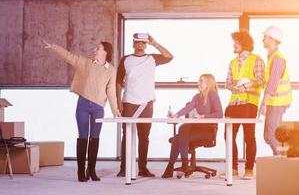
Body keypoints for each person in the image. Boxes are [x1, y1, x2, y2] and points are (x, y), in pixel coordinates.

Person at [43, 40, 121, 182]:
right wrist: (53, 46)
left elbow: (110, 91)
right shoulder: (85, 63)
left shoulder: (111, 70)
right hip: (83, 105)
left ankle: (91, 170)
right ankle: (80, 170)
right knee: (83, 137)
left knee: (95, 138)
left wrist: (115, 109)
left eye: (98, 48)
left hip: (98, 108)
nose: (94, 50)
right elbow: (68, 56)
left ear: (105, 52)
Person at [116, 33, 173, 177]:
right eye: (137, 42)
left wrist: (155, 43)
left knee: (144, 136)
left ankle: (143, 168)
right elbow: (118, 81)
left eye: (142, 42)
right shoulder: (126, 59)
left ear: (145, 44)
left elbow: (169, 56)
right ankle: (124, 168)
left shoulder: (152, 58)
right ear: (133, 44)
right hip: (128, 101)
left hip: (146, 103)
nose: (140, 44)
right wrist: (118, 101)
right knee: (127, 135)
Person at [221, 30, 265, 180]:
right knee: (228, 136)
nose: (234, 45)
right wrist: (232, 86)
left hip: (249, 103)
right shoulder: (232, 62)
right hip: (233, 103)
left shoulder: (256, 60)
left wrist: (245, 86)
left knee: (249, 137)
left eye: (236, 42)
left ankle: (249, 169)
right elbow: (227, 82)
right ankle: (232, 169)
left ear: (244, 43)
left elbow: (260, 81)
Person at [162, 74, 223, 178]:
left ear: (208, 83)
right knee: (181, 131)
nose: (198, 83)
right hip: (196, 128)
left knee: (180, 134)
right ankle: (176, 165)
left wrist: (203, 116)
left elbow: (220, 114)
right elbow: (188, 108)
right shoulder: (197, 96)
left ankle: (175, 166)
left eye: (201, 81)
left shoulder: (212, 94)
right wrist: (175, 115)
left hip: (208, 130)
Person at [258, 26, 292, 155]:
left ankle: (282, 161)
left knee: (271, 135)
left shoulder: (277, 58)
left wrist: (263, 104)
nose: (263, 39)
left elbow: (272, 85)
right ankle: (280, 160)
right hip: (274, 102)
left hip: (278, 103)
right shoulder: (272, 57)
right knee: (269, 135)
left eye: (265, 37)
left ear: (271, 39)